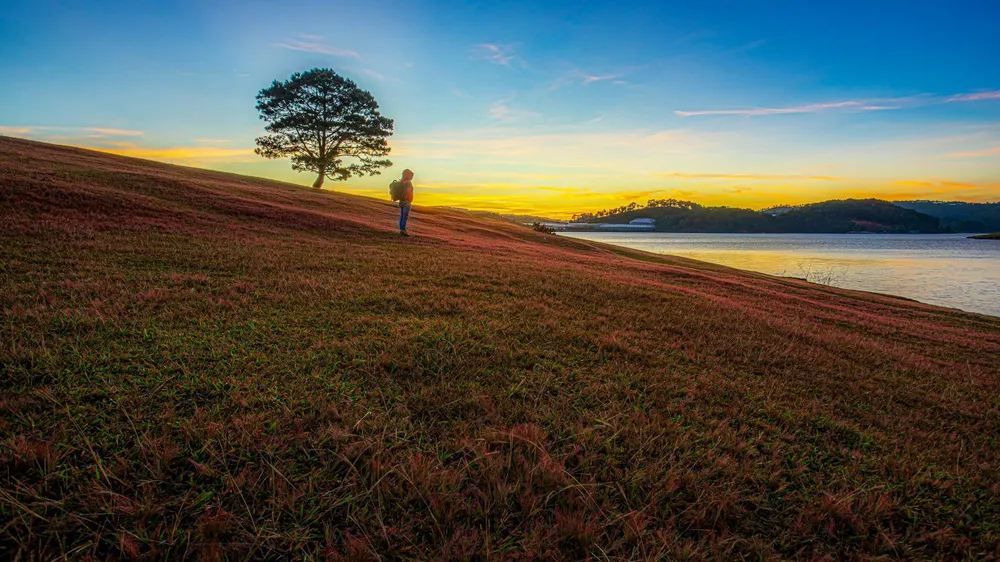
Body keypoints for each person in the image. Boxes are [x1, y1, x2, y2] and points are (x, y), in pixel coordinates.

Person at [398, 169, 414, 236]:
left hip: (401, 200)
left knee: (402, 216)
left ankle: (401, 229)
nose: (412, 177)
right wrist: (410, 199)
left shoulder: (402, 181)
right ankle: (403, 230)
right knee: (405, 216)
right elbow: (408, 191)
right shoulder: (408, 183)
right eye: (411, 175)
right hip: (406, 201)